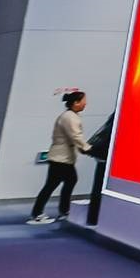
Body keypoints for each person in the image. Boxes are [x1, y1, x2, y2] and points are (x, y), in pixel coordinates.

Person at [27, 89, 93, 225]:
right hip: (60, 158)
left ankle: (60, 211)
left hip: (62, 157)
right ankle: (41, 213)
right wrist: (88, 148)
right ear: (76, 103)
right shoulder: (69, 117)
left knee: (66, 182)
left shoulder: (71, 116)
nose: (85, 104)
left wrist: (83, 148)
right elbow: (75, 136)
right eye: (83, 101)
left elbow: (74, 138)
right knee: (56, 184)